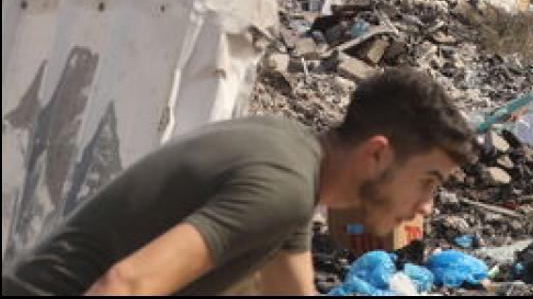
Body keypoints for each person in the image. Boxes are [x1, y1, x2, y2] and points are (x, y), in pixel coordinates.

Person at [1, 69, 475, 296]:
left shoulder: (296, 162)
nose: (426, 207)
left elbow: (291, 292)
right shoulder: (284, 188)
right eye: (427, 182)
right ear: (377, 154)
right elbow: (125, 287)